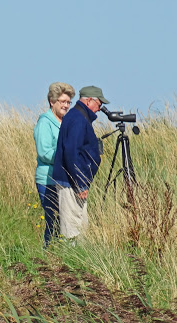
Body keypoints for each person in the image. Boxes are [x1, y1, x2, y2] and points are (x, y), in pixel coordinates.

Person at [52, 86, 109, 240]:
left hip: (73, 182)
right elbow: (72, 153)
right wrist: (81, 183)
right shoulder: (77, 119)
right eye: (99, 104)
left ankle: (76, 261)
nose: (99, 109)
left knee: (80, 228)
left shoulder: (78, 117)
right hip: (71, 183)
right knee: (72, 230)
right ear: (89, 100)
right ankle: (69, 262)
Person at [34, 82, 75, 245]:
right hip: (48, 180)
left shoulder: (65, 123)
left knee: (64, 223)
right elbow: (44, 152)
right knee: (53, 222)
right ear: (52, 102)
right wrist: (66, 158)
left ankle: (57, 259)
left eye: (68, 102)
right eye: (62, 101)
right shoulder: (45, 122)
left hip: (64, 180)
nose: (66, 105)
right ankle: (47, 259)